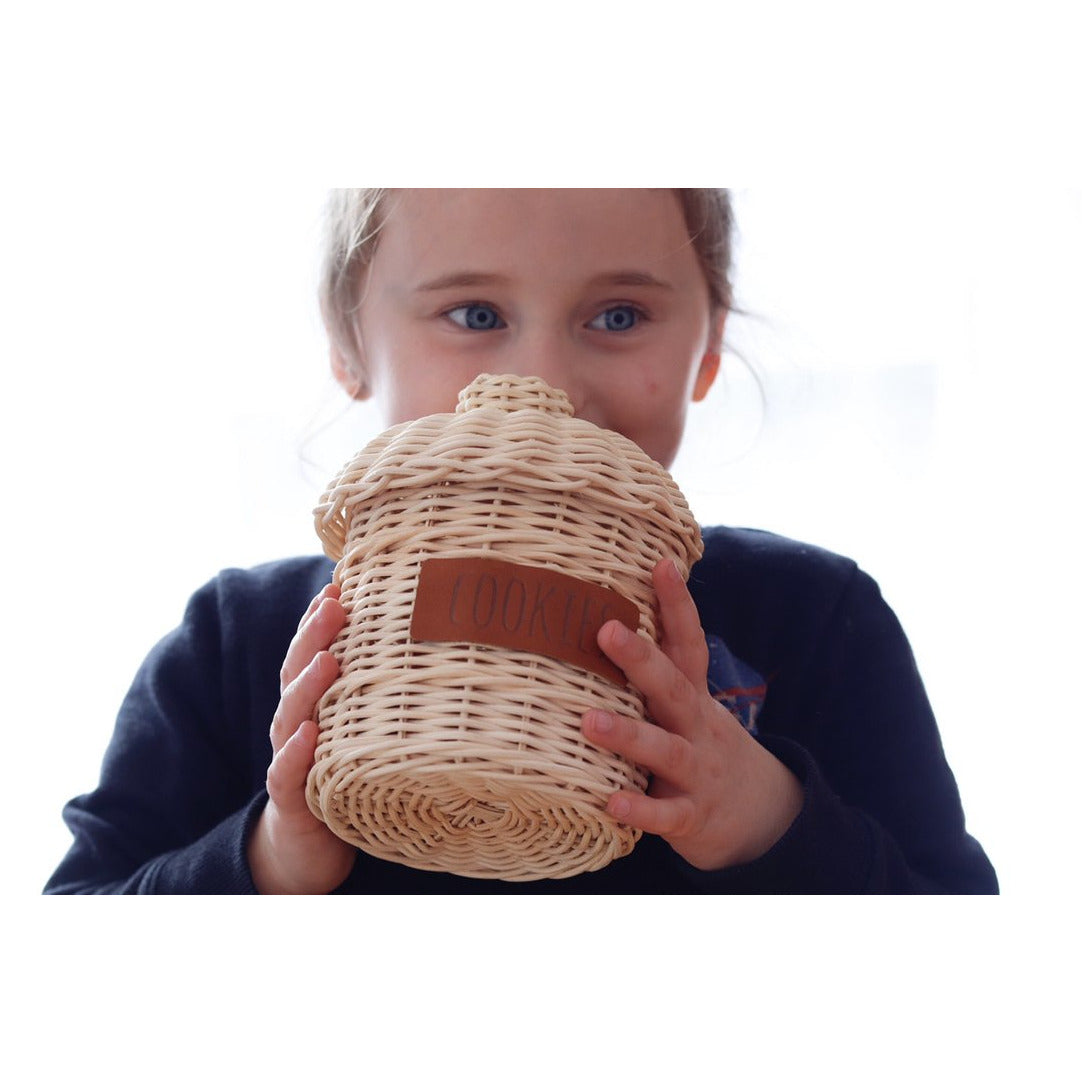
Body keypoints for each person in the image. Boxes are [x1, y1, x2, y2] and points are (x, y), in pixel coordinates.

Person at [44, 189, 998, 894]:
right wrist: (272, 858)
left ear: (707, 347)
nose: (544, 383)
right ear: (347, 345)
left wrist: (772, 821)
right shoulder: (236, 643)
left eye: (618, 316)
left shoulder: (815, 620)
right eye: (474, 315)